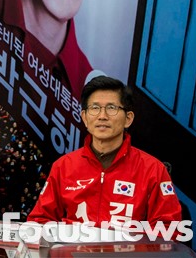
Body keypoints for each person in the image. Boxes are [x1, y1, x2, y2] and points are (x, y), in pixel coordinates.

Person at [27, 76, 182, 225]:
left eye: (111, 108)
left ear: (128, 118)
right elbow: (39, 221)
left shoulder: (153, 170)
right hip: (73, 244)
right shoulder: (63, 167)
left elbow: (169, 230)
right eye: (95, 108)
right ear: (84, 117)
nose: (102, 116)